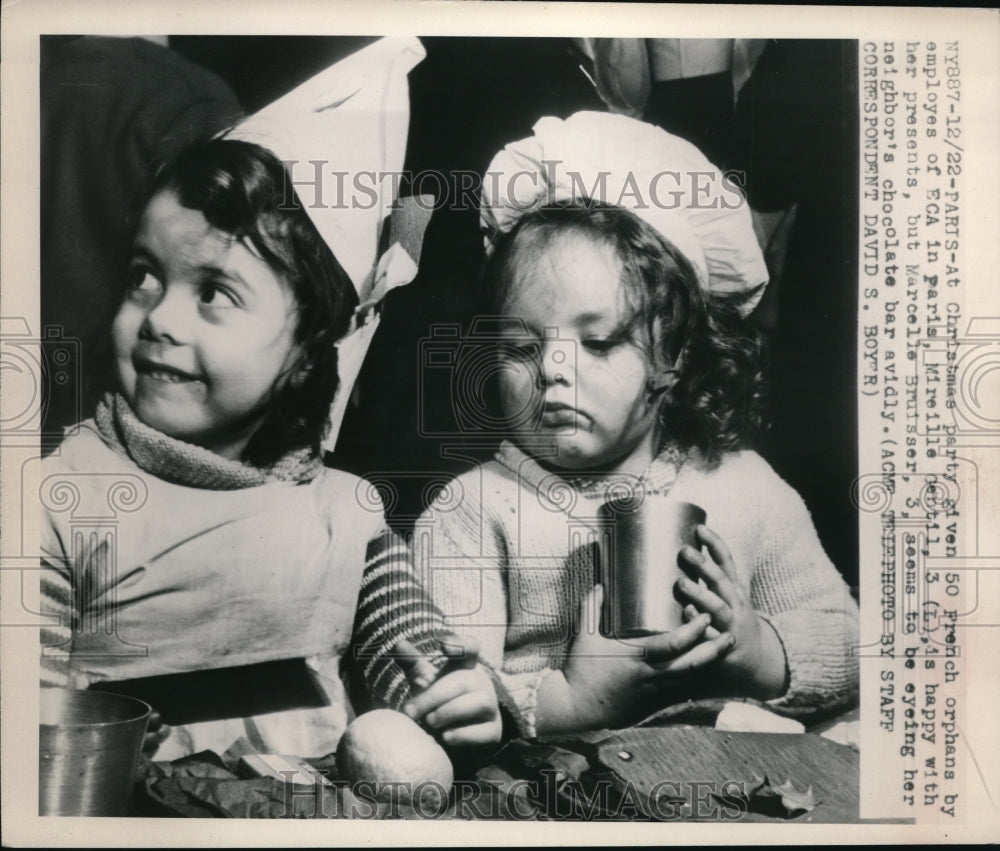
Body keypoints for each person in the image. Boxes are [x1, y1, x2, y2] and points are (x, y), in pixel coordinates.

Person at [39, 42, 502, 762]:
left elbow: (406, 644)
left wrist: (449, 692)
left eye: (214, 293)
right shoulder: (61, 500)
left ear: (308, 351)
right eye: (142, 276)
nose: (158, 317)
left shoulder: (343, 519)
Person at [416, 111, 859, 738]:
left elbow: (851, 643)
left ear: (674, 357)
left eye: (598, 343)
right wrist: (570, 703)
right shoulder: (472, 509)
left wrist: (760, 654)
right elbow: (446, 687)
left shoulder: (744, 486)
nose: (552, 369)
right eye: (520, 346)